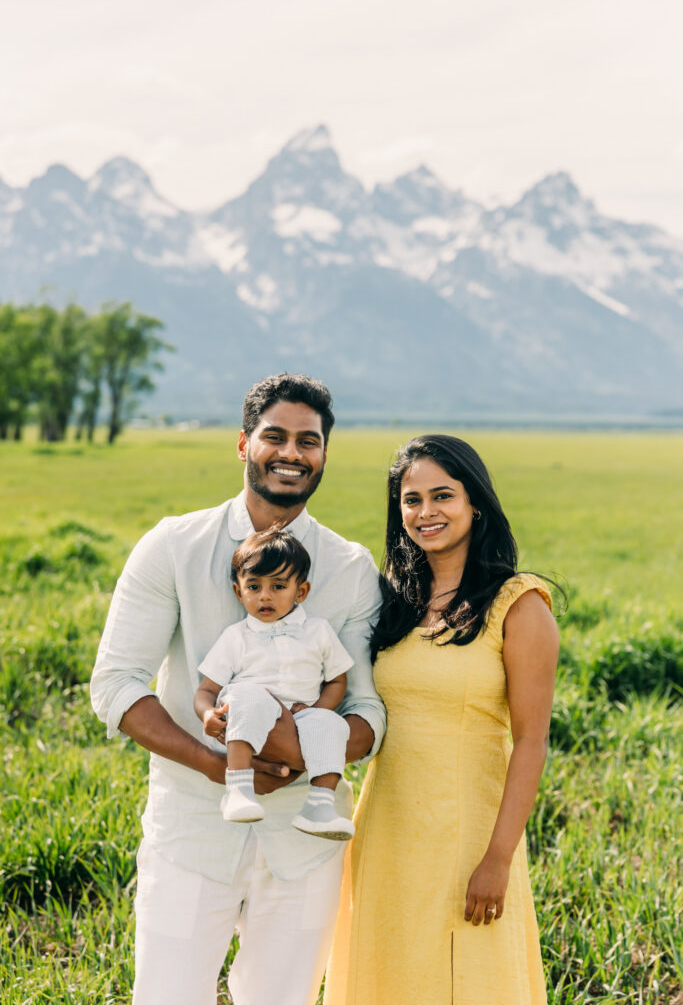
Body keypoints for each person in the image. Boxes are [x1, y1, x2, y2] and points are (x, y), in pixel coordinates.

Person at [90, 374, 385, 1005]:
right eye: (275, 435)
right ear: (243, 442)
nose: (292, 452)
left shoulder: (351, 567)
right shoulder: (174, 545)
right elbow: (115, 685)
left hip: (307, 842)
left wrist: (306, 751)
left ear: (325, 455)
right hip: (191, 828)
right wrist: (219, 766)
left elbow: (367, 709)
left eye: (309, 441)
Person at [324, 434, 560, 1005]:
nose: (426, 513)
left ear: (474, 502)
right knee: (387, 973)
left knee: (468, 979)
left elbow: (530, 743)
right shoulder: (392, 600)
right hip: (386, 831)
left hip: (467, 840)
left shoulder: (517, 604)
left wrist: (498, 859)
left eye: (442, 496)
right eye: (411, 500)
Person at [194, 525, 356, 839]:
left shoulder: (318, 631)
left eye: (278, 586)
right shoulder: (235, 637)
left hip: (300, 717)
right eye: (254, 587)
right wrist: (207, 714)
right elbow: (207, 690)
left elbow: (337, 680)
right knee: (247, 695)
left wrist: (313, 712)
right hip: (247, 711)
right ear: (238, 592)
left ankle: (319, 808)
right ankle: (239, 789)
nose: (265, 596)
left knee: (332, 724)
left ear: (301, 591)